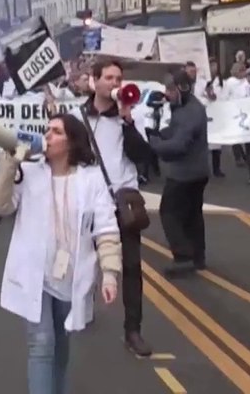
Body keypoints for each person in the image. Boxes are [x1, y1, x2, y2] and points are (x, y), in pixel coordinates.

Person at [0, 113, 121, 394]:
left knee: (60, 340)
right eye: (47, 130)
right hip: (35, 273)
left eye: (56, 131)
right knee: (42, 342)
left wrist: (109, 274)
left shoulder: (91, 179)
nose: (47, 135)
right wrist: (10, 164)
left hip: (71, 274)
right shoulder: (31, 172)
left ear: (71, 142)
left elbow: (106, 228)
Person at [69, 58, 154, 357]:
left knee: (131, 265)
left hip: (122, 199)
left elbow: (144, 155)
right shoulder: (77, 115)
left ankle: (133, 330)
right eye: (109, 78)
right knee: (83, 260)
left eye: (119, 78)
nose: (115, 84)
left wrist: (127, 120)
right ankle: (83, 305)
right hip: (88, 200)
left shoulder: (131, 115)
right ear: (94, 81)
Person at [145, 69, 210, 277]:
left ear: (182, 88)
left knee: (169, 213)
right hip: (196, 170)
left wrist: (154, 144)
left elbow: (179, 144)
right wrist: (157, 131)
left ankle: (183, 257)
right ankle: (197, 257)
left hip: (185, 172)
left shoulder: (190, 112)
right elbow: (174, 131)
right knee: (192, 214)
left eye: (170, 89)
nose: (167, 93)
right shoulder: (184, 108)